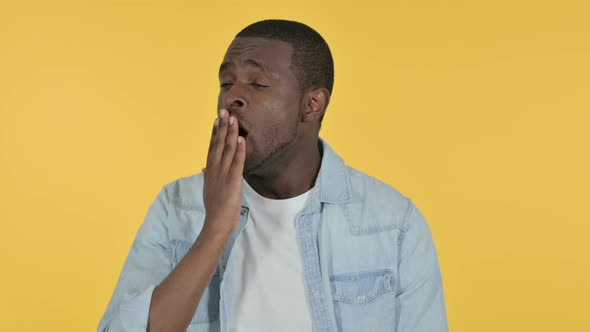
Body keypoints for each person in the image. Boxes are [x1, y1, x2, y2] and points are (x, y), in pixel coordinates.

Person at [98, 19, 448, 332]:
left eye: (258, 84)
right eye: (226, 82)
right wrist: (216, 227)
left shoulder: (394, 223)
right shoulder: (176, 207)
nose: (232, 97)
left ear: (312, 105)